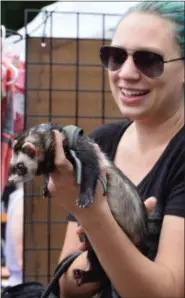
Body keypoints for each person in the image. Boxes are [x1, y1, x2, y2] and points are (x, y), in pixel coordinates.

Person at [48, 1, 184, 297]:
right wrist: (109, 238)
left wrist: (96, 218)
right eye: (115, 56)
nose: (127, 73)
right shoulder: (101, 143)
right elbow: (66, 287)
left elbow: (169, 292)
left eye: (149, 60)